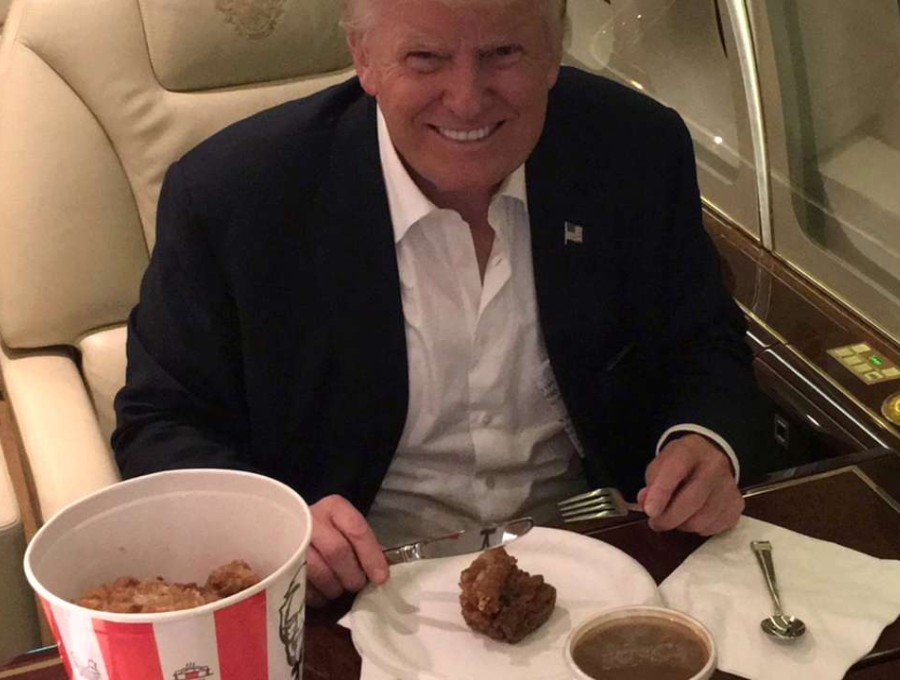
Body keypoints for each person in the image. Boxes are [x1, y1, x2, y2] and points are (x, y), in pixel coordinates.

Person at [113, 0, 766, 606]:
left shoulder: (635, 150)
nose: (466, 99)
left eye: (504, 53)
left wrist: (703, 441)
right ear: (363, 58)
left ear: (556, 48)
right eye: (425, 58)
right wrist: (277, 528)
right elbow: (162, 421)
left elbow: (704, 341)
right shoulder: (233, 196)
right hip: (354, 589)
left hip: (600, 562)